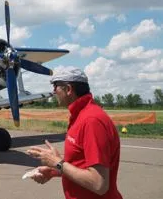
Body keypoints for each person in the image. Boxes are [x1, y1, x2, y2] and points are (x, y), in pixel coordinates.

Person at [26, 67, 122, 199]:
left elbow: (98, 184)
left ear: (68, 89)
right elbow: (81, 166)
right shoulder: (79, 116)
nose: (53, 91)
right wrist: (55, 171)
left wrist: (57, 163)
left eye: (56, 86)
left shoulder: (91, 121)